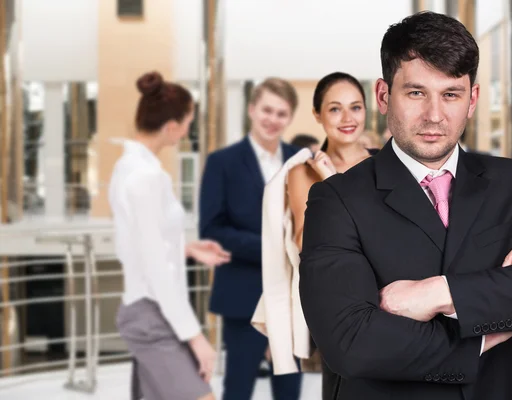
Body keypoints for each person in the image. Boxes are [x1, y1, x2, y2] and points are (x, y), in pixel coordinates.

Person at [299, 12, 512, 400]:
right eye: (416, 92)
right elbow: (352, 342)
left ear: (472, 99)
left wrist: (437, 293)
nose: (434, 115)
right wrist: (493, 321)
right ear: (384, 96)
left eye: (451, 94)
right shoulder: (337, 200)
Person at [252, 72, 376, 399]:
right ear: (318, 115)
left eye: (356, 107)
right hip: (337, 310)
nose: (348, 118)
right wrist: (331, 183)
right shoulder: (302, 173)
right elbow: (310, 246)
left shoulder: (386, 165)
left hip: (391, 303)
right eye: (335, 109)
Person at [110, 71, 231, 400]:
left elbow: (140, 246)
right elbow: (155, 268)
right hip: (153, 316)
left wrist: (186, 248)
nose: (188, 130)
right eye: (188, 122)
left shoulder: (128, 167)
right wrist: (196, 338)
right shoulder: (146, 177)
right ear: (172, 127)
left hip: (149, 311)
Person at [199, 78, 303, 400]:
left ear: (290, 118)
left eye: (281, 113)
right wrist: (272, 248)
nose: (273, 120)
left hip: (291, 298)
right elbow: (212, 229)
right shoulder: (222, 163)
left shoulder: (299, 162)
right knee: (238, 388)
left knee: (289, 390)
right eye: (267, 110)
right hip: (244, 295)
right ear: (251, 110)